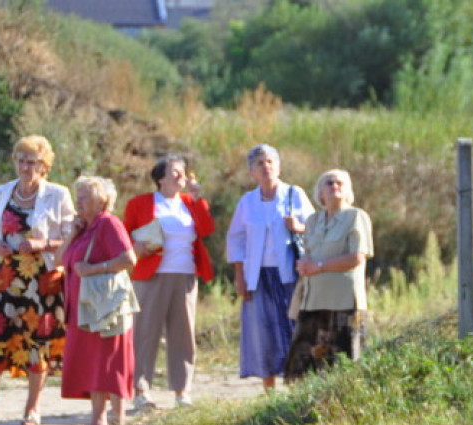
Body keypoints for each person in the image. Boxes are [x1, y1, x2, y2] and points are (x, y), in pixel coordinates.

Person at [0, 135, 75, 425]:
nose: (25, 167)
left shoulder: (58, 194)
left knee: (37, 342)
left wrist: (43, 244)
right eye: (21, 160)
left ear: (44, 165)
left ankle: (32, 410)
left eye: (32, 162)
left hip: (42, 279)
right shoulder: (1, 192)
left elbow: (72, 236)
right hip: (4, 277)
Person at [122, 155, 215, 410]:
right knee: (145, 333)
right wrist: (135, 247)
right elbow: (124, 235)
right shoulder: (140, 203)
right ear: (161, 178)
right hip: (151, 275)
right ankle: (141, 390)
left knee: (183, 335)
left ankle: (182, 391)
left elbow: (207, 230)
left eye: (183, 171)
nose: (181, 175)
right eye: (175, 171)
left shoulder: (190, 202)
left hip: (185, 275)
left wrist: (198, 199)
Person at [226, 144, 314, 391]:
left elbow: (316, 227)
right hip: (257, 276)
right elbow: (236, 239)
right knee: (263, 333)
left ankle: (297, 388)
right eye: (259, 163)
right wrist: (240, 276)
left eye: (270, 162)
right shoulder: (247, 202)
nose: (266, 167)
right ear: (251, 172)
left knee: (293, 329)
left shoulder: (294, 194)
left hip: (290, 275)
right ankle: (269, 391)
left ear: (278, 167)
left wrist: (299, 227)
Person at [61, 176, 137, 425]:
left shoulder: (108, 223)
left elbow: (128, 259)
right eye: (78, 196)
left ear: (101, 201)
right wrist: (73, 233)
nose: (79, 201)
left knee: (110, 361)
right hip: (84, 307)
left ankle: (116, 422)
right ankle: (98, 421)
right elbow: (60, 260)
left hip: (105, 308)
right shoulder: (85, 228)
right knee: (93, 361)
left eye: (85, 197)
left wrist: (94, 269)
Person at [284, 169, 373, 380]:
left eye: (340, 183)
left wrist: (319, 266)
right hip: (313, 302)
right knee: (302, 367)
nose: (335, 186)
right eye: (329, 183)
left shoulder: (356, 216)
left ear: (348, 190)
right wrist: (304, 266)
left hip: (344, 302)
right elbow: (308, 254)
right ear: (320, 192)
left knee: (344, 366)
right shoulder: (313, 221)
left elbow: (357, 257)